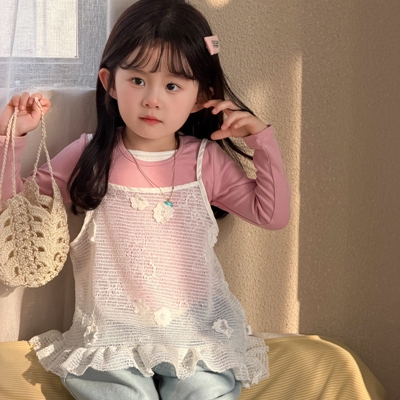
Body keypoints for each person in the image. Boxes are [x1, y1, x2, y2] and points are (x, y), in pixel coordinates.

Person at [0, 0, 290, 398]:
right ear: (109, 82)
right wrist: (12, 135)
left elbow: (271, 215)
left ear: (202, 96)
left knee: (206, 392)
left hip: (195, 335)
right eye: (137, 80)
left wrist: (261, 140)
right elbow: (15, 209)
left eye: (172, 86)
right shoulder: (89, 156)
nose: (153, 99)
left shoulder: (205, 161)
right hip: (111, 338)